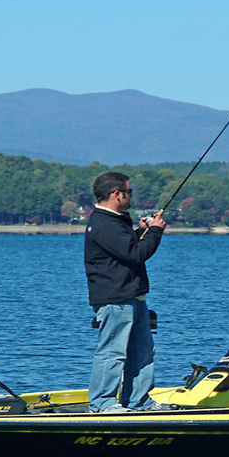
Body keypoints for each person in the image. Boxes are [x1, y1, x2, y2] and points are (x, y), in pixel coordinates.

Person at [84, 172, 167, 413]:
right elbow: (136, 254)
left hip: (134, 297)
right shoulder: (105, 224)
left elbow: (126, 248)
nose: (131, 196)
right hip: (116, 300)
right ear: (116, 194)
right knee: (113, 352)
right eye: (129, 192)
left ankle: (139, 400)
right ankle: (102, 403)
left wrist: (140, 231)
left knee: (142, 351)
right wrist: (155, 231)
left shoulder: (114, 222)